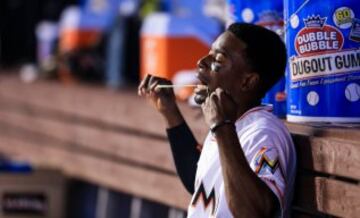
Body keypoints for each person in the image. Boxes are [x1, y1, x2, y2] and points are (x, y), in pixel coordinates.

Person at [138, 22, 296, 218]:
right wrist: (171, 113)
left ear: (247, 81)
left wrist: (221, 127)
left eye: (218, 60)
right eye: (208, 53)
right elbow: (201, 185)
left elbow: (254, 213)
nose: (201, 62)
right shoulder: (231, 125)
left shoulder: (264, 132)